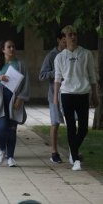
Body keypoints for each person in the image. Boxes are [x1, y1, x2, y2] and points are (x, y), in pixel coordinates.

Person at [53, 25, 98, 171]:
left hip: (82, 94)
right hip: (66, 94)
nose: (73, 37)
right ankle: (76, 159)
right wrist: (55, 97)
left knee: (84, 128)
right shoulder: (60, 57)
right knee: (71, 127)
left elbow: (92, 76)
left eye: (75, 34)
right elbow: (57, 79)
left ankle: (73, 151)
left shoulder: (86, 54)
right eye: (70, 34)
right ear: (64, 38)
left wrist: (95, 94)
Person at [0, 40, 29, 167]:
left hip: (14, 98)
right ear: (3, 49)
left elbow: (26, 84)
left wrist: (20, 98)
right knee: (1, 127)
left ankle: (10, 157)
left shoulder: (20, 65)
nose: (11, 49)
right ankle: (2, 150)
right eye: (8, 47)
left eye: (13, 46)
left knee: (12, 128)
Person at [39, 31, 66, 163]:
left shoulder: (72, 54)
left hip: (70, 93)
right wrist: (56, 73)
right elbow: (42, 75)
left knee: (73, 122)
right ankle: (54, 152)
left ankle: (73, 151)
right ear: (59, 40)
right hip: (54, 94)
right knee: (55, 123)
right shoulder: (51, 56)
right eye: (64, 40)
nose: (67, 43)